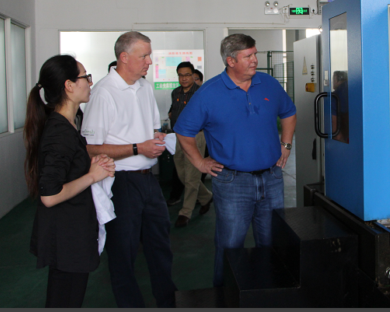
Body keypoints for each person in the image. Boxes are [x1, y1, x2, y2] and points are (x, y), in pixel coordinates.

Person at [174, 33, 297, 287]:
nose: (255, 60)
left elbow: (289, 112)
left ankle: (269, 294)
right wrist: (199, 163)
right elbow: (183, 131)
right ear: (230, 61)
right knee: (230, 245)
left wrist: (286, 144)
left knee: (271, 241)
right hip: (232, 183)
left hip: (272, 178)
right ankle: (225, 296)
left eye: (255, 54)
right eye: (248, 56)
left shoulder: (268, 83)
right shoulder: (209, 93)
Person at [81, 31, 177, 308]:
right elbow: (90, 148)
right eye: (144, 56)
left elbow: (151, 127)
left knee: (160, 244)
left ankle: (168, 300)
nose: (150, 61)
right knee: (123, 251)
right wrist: (138, 148)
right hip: (120, 182)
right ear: (123, 57)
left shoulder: (144, 87)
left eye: (150, 55)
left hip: (149, 181)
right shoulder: (104, 92)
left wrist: (157, 138)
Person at [24, 55, 115, 308]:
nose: (90, 82)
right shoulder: (59, 131)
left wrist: (93, 165)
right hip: (66, 236)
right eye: (85, 77)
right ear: (69, 85)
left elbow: (68, 170)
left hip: (73, 231)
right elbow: (50, 195)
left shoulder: (70, 124)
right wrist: (92, 176)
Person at [167, 61, 213, 228]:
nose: (184, 78)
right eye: (180, 75)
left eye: (187, 75)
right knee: (182, 174)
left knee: (192, 175)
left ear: (193, 75)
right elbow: (173, 110)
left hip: (196, 136)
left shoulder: (201, 92)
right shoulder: (176, 92)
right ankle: (206, 196)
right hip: (179, 136)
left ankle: (185, 213)